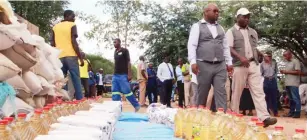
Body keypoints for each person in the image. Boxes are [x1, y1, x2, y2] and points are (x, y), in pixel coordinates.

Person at [226, 7, 277, 127]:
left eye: (248, 17)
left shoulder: (253, 32)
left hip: (253, 64)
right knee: (237, 92)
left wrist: (259, 54)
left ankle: (264, 118)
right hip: (239, 65)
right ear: (237, 17)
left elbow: (253, 47)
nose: (247, 19)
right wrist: (240, 57)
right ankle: (234, 117)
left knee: (258, 91)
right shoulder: (231, 31)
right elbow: (229, 48)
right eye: (244, 16)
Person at [188, 3, 233, 110]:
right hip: (203, 64)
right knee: (202, 91)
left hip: (220, 65)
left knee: (221, 91)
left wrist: (229, 62)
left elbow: (225, 47)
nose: (217, 13)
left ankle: (222, 117)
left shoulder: (220, 28)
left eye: (218, 11)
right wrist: (193, 62)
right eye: (214, 11)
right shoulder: (197, 26)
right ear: (206, 12)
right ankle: (200, 115)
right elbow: (192, 45)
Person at [50, 10, 83, 100]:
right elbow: (73, 42)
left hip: (59, 56)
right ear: (67, 16)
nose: (74, 18)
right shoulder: (72, 25)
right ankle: (80, 100)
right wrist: (80, 58)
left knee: (62, 80)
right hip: (71, 55)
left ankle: (63, 100)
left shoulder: (55, 27)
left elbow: (52, 43)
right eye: (73, 16)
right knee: (76, 78)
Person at [112, 38, 140, 111]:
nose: (114, 43)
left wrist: (129, 74)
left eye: (115, 42)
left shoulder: (125, 51)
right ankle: (118, 110)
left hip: (123, 75)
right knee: (115, 93)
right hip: (115, 75)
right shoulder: (115, 51)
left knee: (126, 91)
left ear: (119, 42)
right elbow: (116, 63)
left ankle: (136, 105)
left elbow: (128, 62)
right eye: (113, 42)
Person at [281, 50, 302, 118]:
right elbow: (287, 72)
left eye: (285, 55)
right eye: (284, 56)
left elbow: (298, 72)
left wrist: (286, 71)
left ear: (290, 55)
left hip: (294, 83)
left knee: (296, 98)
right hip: (288, 83)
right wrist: (284, 72)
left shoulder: (295, 61)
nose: (284, 57)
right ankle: (291, 112)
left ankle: (297, 112)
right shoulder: (286, 62)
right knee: (291, 99)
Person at [261, 51, 279, 116]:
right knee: (266, 97)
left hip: (273, 80)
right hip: (266, 80)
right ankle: (267, 111)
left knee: (274, 96)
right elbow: (261, 73)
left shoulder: (274, 63)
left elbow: (276, 71)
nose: (268, 57)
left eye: (270, 56)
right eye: (267, 56)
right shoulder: (262, 64)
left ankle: (275, 112)